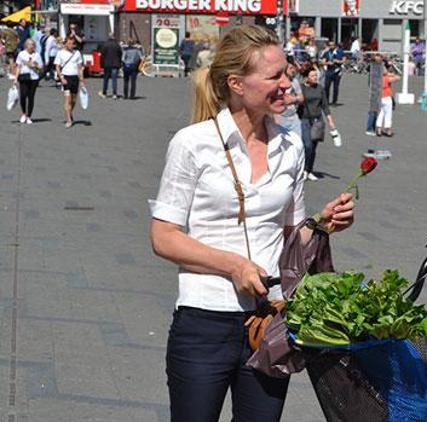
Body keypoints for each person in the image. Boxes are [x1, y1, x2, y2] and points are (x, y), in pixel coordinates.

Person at [149, 25, 355, 422]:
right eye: (275, 75)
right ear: (237, 84)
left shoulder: (290, 145)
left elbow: (292, 236)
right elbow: (163, 237)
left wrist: (324, 223)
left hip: (269, 319)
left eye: (287, 72)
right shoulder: (192, 144)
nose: (286, 82)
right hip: (203, 320)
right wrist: (234, 265)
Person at [299, 66, 337, 181]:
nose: (316, 77)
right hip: (304, 119)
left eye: (316, 75)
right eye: (313, 76)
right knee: (307, 145)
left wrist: (330, 121)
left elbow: (325, 106)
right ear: (306, 78)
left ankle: (309, 170)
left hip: (317, 120)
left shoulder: (320, 88)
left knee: (314, 147)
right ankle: (302, 169)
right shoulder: (300, 88)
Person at [55, 35, 86, 128]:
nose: (70, 45)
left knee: (74, 100)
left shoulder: (77, 53)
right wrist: (61, 77)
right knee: (68, 99)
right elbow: (57, 66)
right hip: (66, 78)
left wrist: (82, 80)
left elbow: (79, 68)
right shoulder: (60, 53)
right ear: (65, 43)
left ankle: (69, 112)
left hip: (74, 78)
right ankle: (68, 119)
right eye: (68, 43)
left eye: (72, 43)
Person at [13, 38, 43, 124]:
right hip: (23, 77)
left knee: (31, 97)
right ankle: (23, 113)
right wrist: (15, 78)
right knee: (23, 95)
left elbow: (41, 67)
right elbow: (18, 66)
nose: (31, 46)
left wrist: (35, 65)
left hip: (34, 78)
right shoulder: (21, 54)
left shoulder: (37, 55)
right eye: (29, 44)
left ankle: (29, 116)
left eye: (33, 44)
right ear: (26, 45)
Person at [277, 60, 303, 139]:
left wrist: (294, 99)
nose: (293, 70)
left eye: (293, 68)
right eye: (290, 68)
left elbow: (301, 98)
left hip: (293, 117)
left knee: (298, 142)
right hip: (281, 117)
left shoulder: (295, 81)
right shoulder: (278, 83)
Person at [375, 66, 399, 137]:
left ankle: (378, 129)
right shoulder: (387, 78)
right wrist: (392, 74)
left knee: (380, 114)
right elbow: (398, 78)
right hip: (387, 97)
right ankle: (388, 130)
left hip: (379, 97)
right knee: (388, 114)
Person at [365, 53, 384, 136]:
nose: (380, 58)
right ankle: (369, 128)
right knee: (373, 109)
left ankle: (374, 127)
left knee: (376, 109)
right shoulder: (372, 65)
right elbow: (368, 68)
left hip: (379, 88)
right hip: (374, 89)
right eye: (378, 56)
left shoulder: (381, 65)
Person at [99, 33, 122, 99]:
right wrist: (119, 63)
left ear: (108, 37)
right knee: (114, 79)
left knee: (106, 79)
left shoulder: (105, 44)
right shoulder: (117, 45)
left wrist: (102, 64)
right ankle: (114, 94)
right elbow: (120, 54)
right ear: (114, 37)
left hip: (106, 64)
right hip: (115, 64)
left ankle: (104, 93)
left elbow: (102, 56)